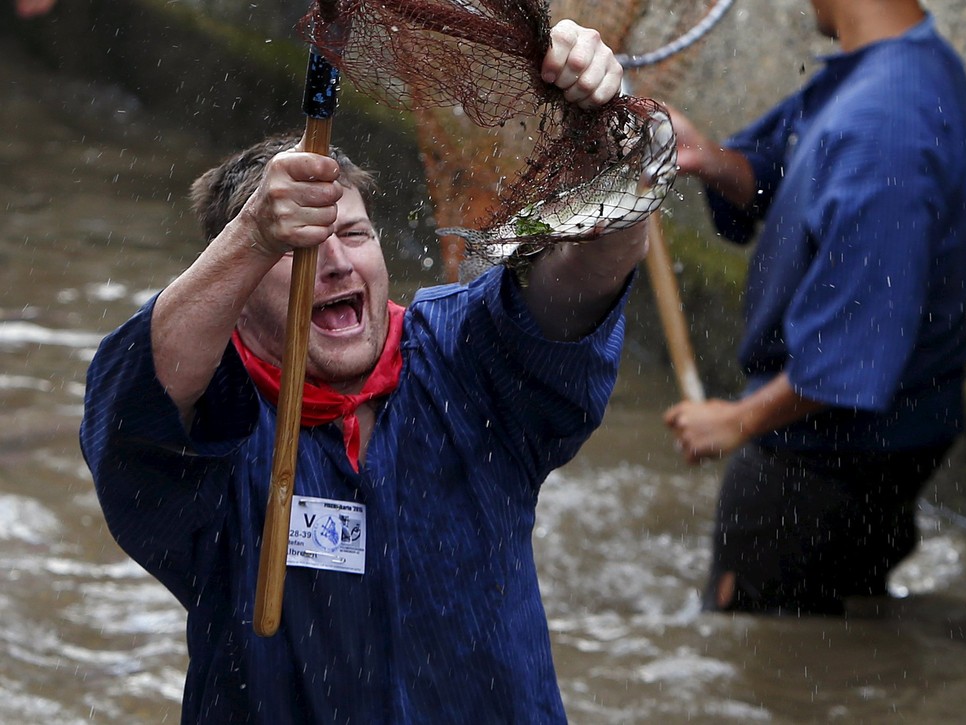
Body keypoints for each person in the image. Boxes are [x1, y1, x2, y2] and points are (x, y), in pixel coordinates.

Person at [80, 20, 648, 723]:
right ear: (240, 293)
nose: (339, 262)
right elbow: (137, 403)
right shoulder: (217, 425)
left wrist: (611, 127)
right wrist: (255, 233)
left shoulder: (466, 358)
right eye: (302, 248)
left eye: (355, 234)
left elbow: (592, 272)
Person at [663, 0, 966, 616]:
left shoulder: (886, 125)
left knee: (753, 649)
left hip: (823, 455)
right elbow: (792, 166)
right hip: (890, 437)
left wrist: (736, 421)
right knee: (840, 633)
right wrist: (709, 160)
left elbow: (854, 352)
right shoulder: (912, 62)